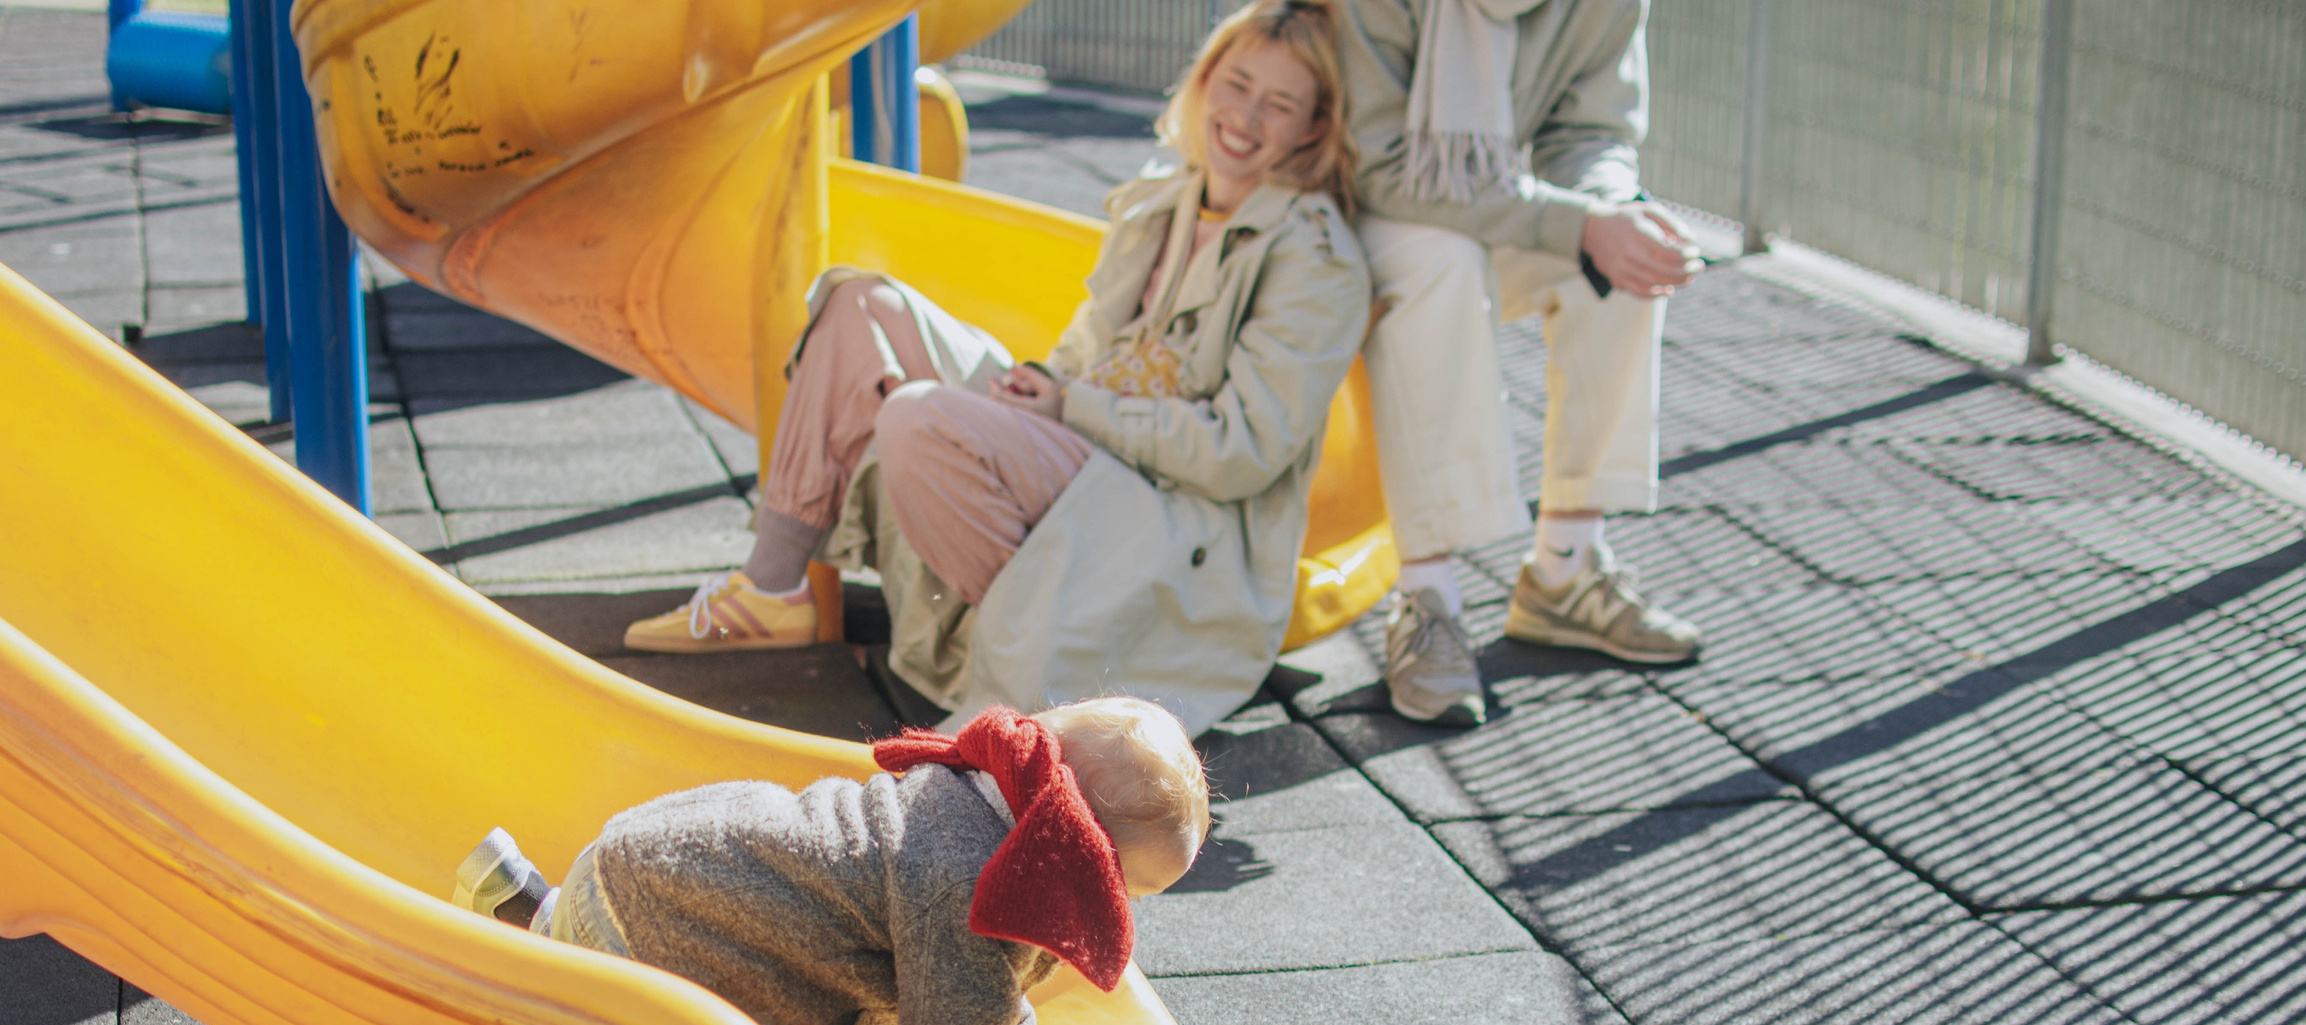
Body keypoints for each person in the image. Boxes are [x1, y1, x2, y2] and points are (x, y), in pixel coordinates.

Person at [623, 0, 1373, 738]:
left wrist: (1068, 405)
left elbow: (1240, 453)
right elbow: (1091, 350)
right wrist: (1043, 386)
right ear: (1206, 79)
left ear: (1313, 127)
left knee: (918, 417)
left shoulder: (1313, 258)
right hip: (1089, 443)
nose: (1245, 117)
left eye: (1279, 104)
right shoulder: (1166, 203)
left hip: (1166, 512)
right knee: (861, 302)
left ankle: (1030, 629)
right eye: (1237, 84)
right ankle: (772, 587)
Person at [451, 698, 1210, 1025]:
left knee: (800, 933)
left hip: (639, 865)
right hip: (646, 936)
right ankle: (529, 963)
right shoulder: (968, 882)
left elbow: (990, 990)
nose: (1120, 909)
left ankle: (526, 901)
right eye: (1124, 887)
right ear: (1078, 844)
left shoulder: (979, 801)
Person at [1334, 0, 1707, 724]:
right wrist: (1575, 222)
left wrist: (1609, 211)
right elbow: (1380, 168)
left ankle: (1566, 570)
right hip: (1357, 219)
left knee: (1631, 258)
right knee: (1442, 262)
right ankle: (1427, 601)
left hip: (1494, 203)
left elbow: (1591, 133)